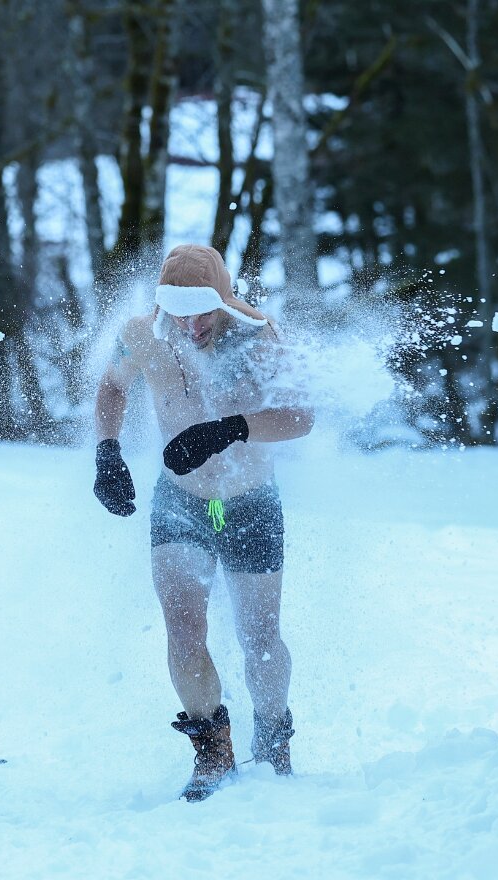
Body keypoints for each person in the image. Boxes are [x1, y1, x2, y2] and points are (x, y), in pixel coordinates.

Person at [92, 244, 314, 801]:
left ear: (224, 299)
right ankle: (212, 748)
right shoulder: (142, 334)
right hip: (181, 503)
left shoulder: (260, 337)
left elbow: (301, 416)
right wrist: (107, 453)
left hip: (248, 502)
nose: (191, 326)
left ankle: (274, 737)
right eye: (179, 313)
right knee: (185, 629)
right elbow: (113, 386)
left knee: (260, 637)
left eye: (203, 313)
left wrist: (230, 428)